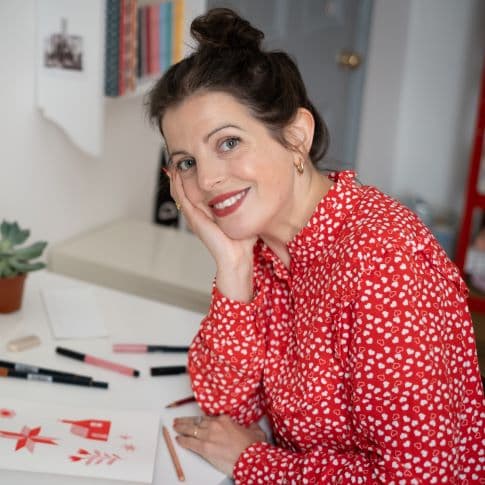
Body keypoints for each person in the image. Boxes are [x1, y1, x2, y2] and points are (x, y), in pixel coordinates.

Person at [147, 8, 485, 484]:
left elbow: (418, 478)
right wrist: (233, 266)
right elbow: (228, 412)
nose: (206, 180)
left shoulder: (383, 262)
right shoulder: (262, 246)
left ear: (295, 136)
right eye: (186, 162)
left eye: (227, 143)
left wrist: (255, 463)